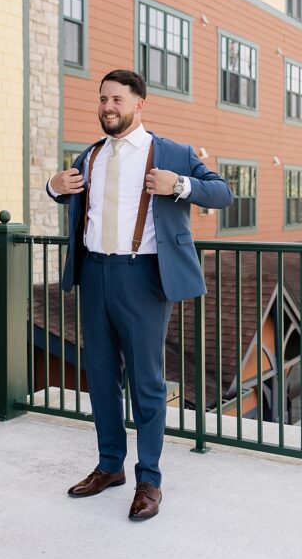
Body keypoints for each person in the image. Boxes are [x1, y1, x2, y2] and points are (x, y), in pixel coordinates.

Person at [47, 69, 233, 521]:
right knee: (102, 376)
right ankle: (110, 467)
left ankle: (149, 478)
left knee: (146, 384)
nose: (107, 107)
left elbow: (223, 193)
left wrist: (180, 185)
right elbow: (69, 198)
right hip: (94, 273)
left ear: (138, 105)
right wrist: (55, 187)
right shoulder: (89, 155)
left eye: (117, 99)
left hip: (143, 277)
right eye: (103, 99)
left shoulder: (171, 152)